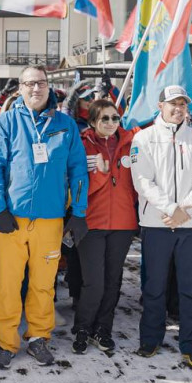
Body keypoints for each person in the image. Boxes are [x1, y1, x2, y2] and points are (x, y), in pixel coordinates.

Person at [0, 65, 88, 370]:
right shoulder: (7, 122)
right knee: (6, 283)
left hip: (50, 219)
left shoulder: (65, 125)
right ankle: (5, 341)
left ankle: (38, 337)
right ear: (20, 88)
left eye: (40, 83)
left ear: (48, 87)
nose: (35, 89)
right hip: (11, 220)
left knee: (43, 284)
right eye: (29, 84)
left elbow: (78, 171)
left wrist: (78, 213)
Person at [131, 85, 192, 368]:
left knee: (190, 289)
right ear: (160, 106)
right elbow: (142, 181)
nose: (178, 109)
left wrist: (185, 209)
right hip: (156, 223)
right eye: (172, 103)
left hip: (190, 226)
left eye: (182, 104)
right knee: (154, 286)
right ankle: (150, 338)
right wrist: (170, 209)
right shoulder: (144, 138)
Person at [71, 99, 137, 354]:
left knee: (113, 281)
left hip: (123, 223)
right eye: (104, 119)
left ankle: (103, 329)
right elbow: (78, 188)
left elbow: (136, 184)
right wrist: (100, 174)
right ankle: (83, 328)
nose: (110, 123)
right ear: (93, 121)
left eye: (114, 118)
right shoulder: (82, 145)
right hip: (93, 224)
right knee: (94, 282)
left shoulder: (131, 144)